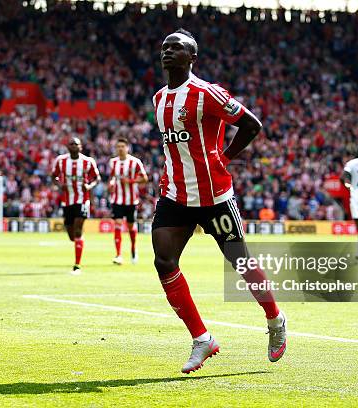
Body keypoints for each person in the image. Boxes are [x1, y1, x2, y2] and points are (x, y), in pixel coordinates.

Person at [151, 29, 286, 374]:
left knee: (240, 264)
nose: (168, 51)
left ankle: (275, 319)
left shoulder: (207, 93)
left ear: (192, 57)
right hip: (176, 196)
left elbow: (251, 125)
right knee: (164, 262)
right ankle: (201, 339)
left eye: (176, 47)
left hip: (214, 196)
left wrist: (225, 157)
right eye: (165, 47)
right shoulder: (158, 99)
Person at [52, 137, 100, 275]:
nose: (73, 146)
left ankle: (77, 265)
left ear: (81, 147)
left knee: (78, 230)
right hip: (67, 201)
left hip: (82, 200)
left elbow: (97, 178)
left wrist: (89, 186)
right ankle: (78, 242)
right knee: (71, 235)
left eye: (76, 144)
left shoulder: (88, 162)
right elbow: (53, 176)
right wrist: (58, 184)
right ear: (67, 147)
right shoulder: (61, 161)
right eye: (71, 144)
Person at [108, 138, 148, 265]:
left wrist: (130, 181)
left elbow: (145, 178)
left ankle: (133, 248)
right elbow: (112, 177)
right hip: (117, 199)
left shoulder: (135, 162)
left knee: (131, 226)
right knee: (118, 224)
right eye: (118, 146)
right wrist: (111, 184)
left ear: (127, 148)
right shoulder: (112, 162)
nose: (120, 149)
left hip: (131, 200)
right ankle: (118, 255)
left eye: (122, 146)